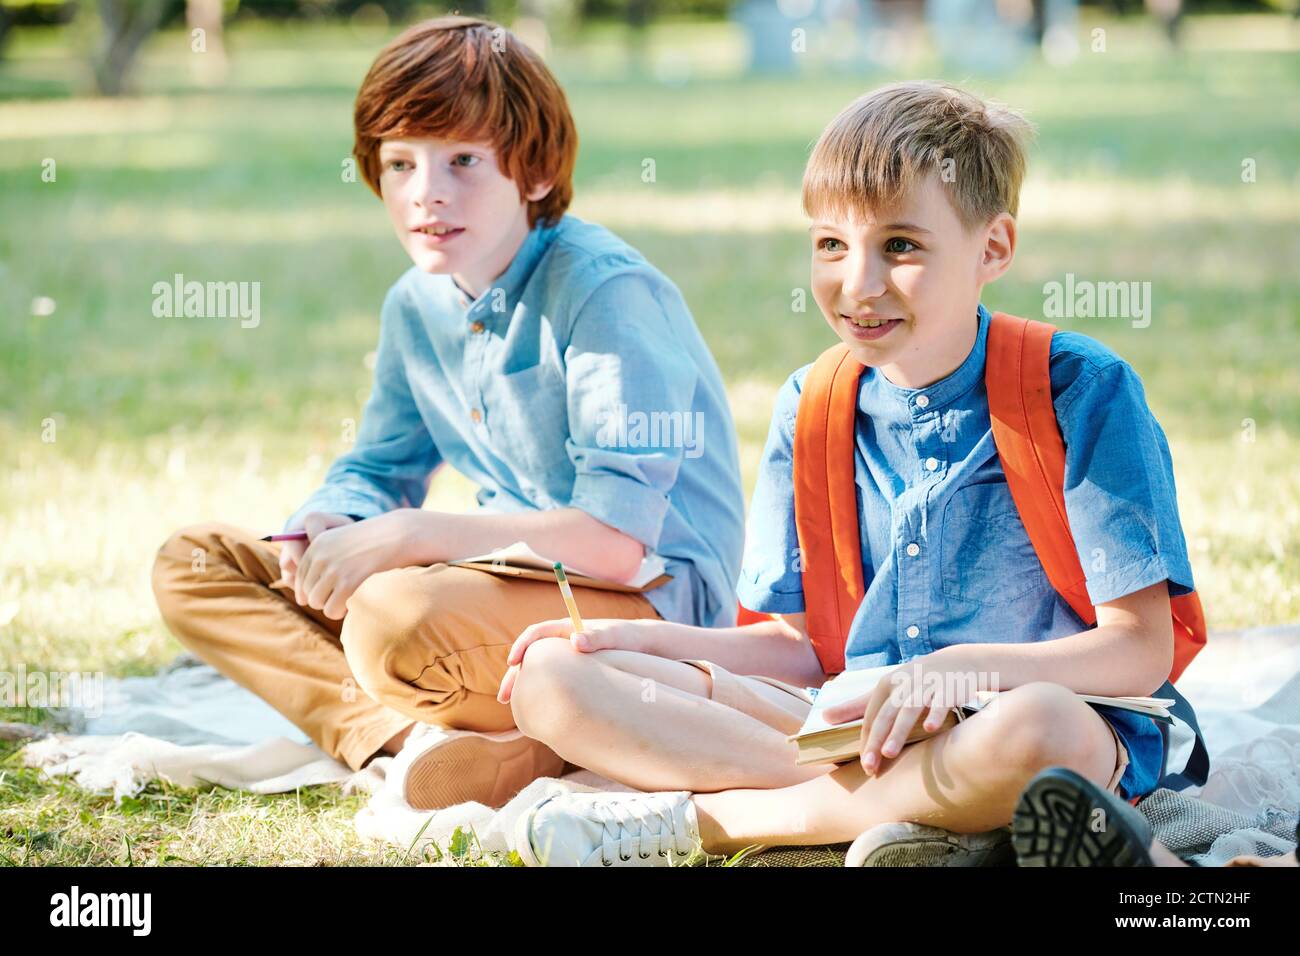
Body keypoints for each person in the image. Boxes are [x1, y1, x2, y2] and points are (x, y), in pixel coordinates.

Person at [498, 80, 1208, 867]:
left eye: (900, 246)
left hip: (1023, 716)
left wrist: (948, 674)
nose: (858, 284)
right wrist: (641, 638)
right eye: (831, 244)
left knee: (1038, 733)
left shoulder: (1080, 390)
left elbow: (1140, 650)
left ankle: (712, 822)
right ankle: (897, 805)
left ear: (993, 249)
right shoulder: (813, 404)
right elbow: (803, 651)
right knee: (552, 680)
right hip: (838, 723)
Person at [150, 16, 745, 813]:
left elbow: (612, 541)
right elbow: (380, 466)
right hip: (502, 584)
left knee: (395, 622)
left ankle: (536, 725)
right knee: (194, 564)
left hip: (649, 598)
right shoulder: (417, 304)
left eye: (463, 161)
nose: (425, 193)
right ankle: (420, 738)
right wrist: (329, 519)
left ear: (533, 175)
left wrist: (409, 537)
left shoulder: (603, 294)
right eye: (400, 164)